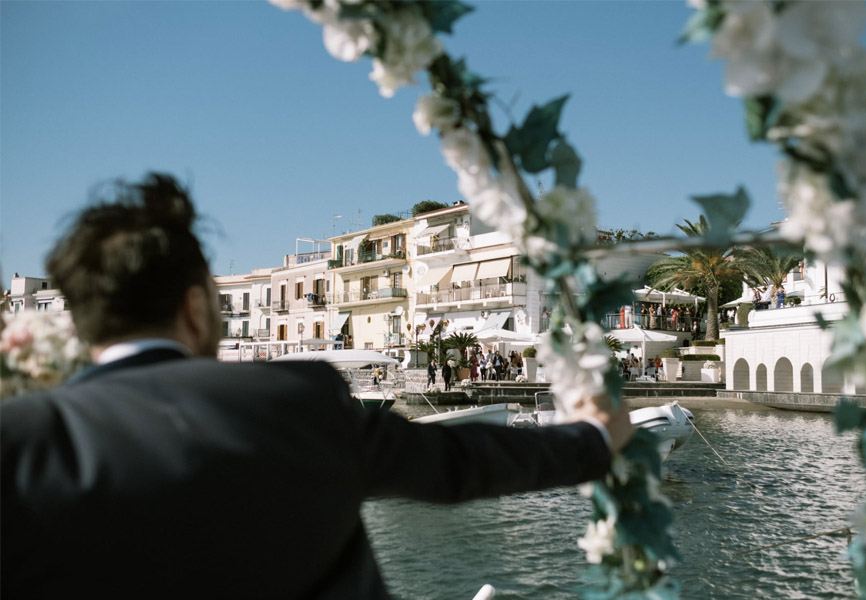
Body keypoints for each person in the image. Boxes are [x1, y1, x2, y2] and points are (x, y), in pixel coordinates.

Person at [0, 173, 636, 598]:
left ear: (83, 322)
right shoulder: (294, 401)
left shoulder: (20, 442)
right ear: (196, 308)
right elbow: (459, 464)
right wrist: (592, 439)